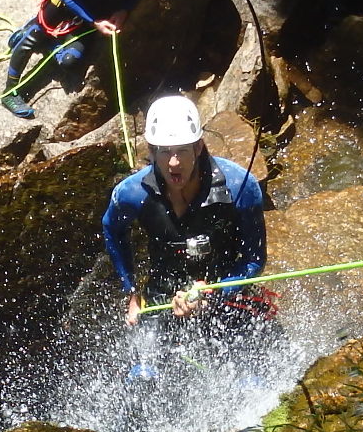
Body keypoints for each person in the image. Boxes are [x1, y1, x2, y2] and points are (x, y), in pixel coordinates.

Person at [101, 95, 276, 377]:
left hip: (225, 287)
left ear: (198, 147)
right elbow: (112, 228)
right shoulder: (131, 194)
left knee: (248, 376)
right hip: (163, 292)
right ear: (151, 150)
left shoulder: (240, 187)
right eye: (163, 151)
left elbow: (255, 260)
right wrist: (130, 290)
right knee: (142, 378)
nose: (173, 162)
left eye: (182, 151)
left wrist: (215, 292)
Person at [0, 0, 157, 118]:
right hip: (63, 4)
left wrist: (124, 10)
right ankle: (9, 92)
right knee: (31, 40)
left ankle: (48, 38)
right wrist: (95, 22)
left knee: (69, 62)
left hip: (88, 12)